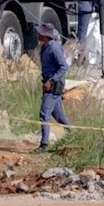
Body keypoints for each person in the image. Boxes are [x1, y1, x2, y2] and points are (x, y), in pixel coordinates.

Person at [36, 23, 71, 151]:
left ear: (44, 35)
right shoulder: (44, 47)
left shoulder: (54, 48)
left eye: (39, 32)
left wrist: (51, 81)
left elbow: (64, 67)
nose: (37, 34)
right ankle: (75, 135)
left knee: (44, 114)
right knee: (59, 116)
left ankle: (44, 145)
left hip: (53, 86)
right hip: (48, 84)